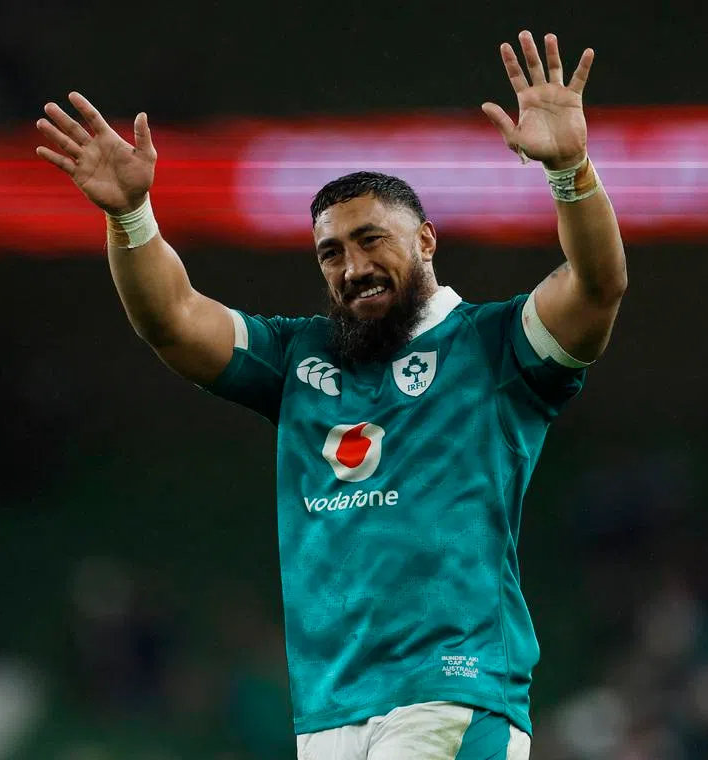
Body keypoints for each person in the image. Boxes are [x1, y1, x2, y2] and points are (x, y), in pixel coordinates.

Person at [36, 29, 626, 760]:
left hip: (451, 695)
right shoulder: (299, 358)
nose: (352, 266)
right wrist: (131, 218)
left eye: (373, 240)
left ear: (427, 243)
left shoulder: (492, 345)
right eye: (331, 253)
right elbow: (173, 320)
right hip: (329, 713)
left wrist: (570, 169)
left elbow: (597, 288)